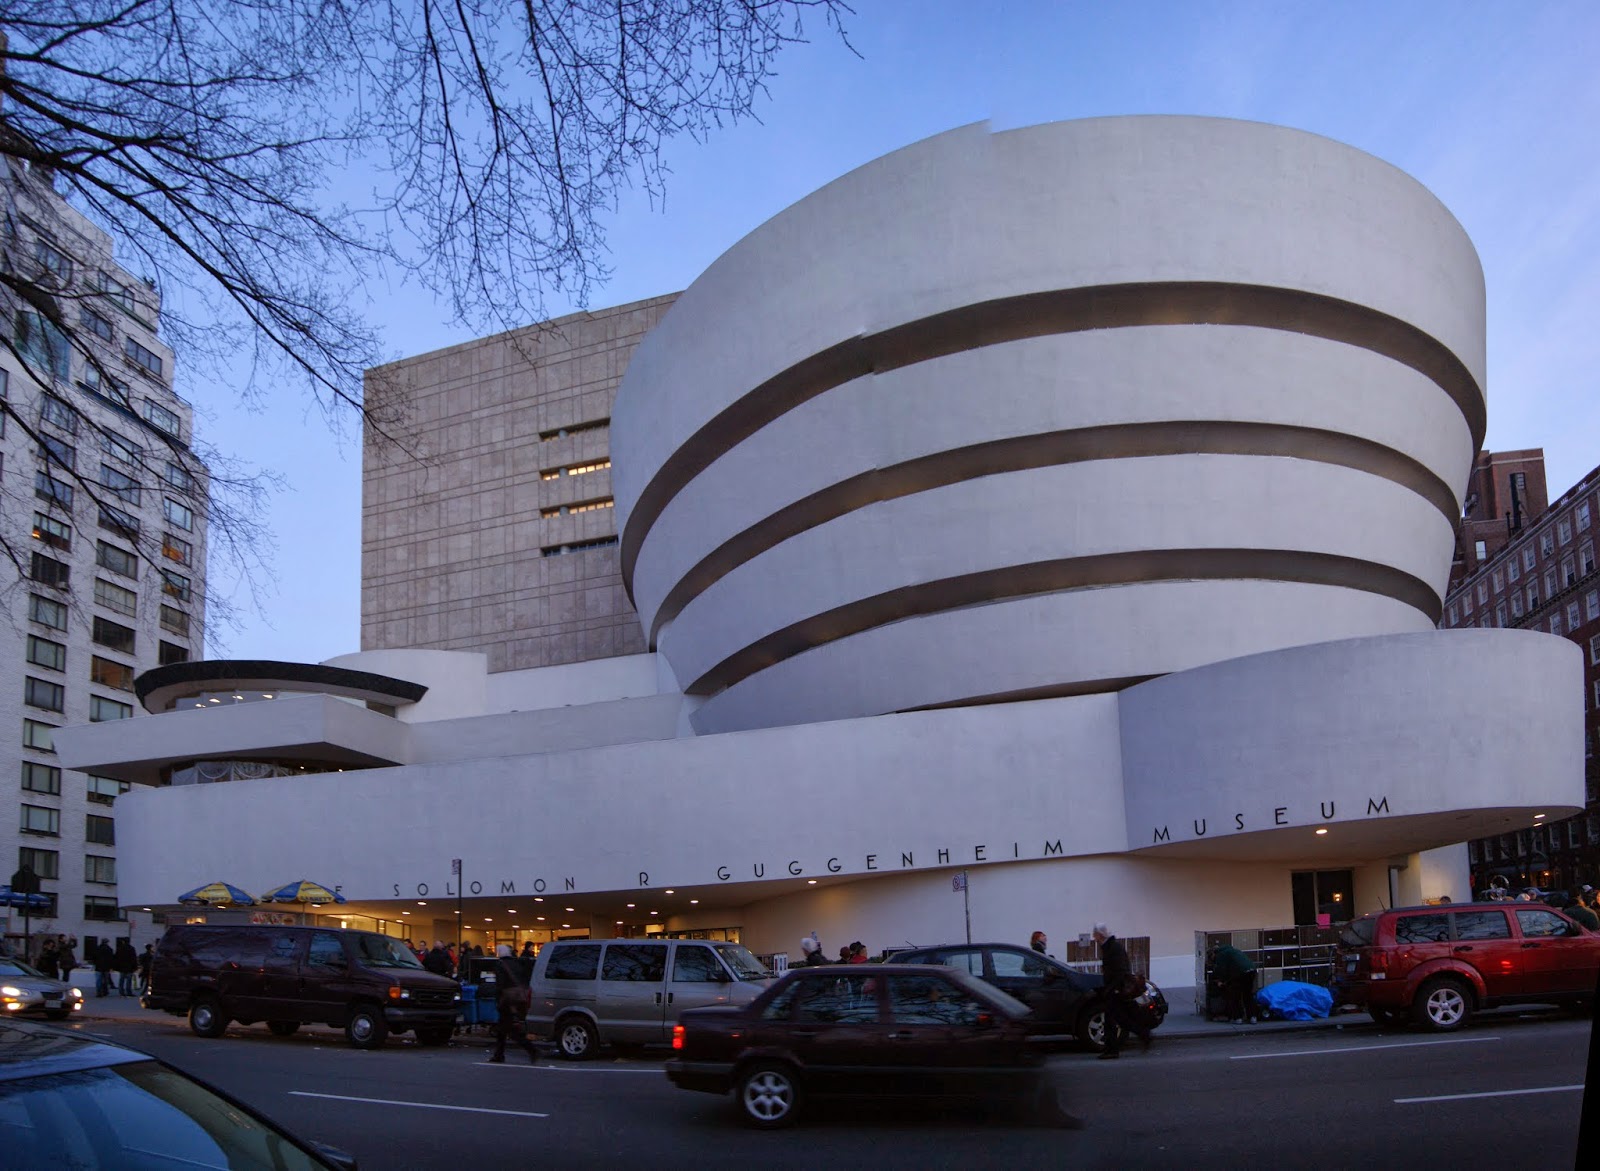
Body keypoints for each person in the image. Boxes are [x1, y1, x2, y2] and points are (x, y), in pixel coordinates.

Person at [1093, 922, 1150, 1059]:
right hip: (1115, 988)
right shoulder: (1110, 947)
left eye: (1095, 934)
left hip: (1116, 989)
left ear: (1100, 934)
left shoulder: (1112, 948)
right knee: (1116, 1019)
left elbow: (1120, 971)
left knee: (1117, 1019)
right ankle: (1115, 1048)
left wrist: (1111, 989)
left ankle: (1115, 1048)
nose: (1093, 937)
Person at [488, 943, 539, 1063]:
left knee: (509, 1029)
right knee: (505, 1029)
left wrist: (498, 998)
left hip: (507, 1000)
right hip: (519, 998)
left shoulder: (500, 965)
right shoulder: (517, 963)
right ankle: (499, 1055)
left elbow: (500, 985)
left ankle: (531, 1050)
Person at [1210, 942, 1259, 1023]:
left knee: (1234, 996)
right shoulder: (1233, 950)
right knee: (1248, 995)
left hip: (1239, 974)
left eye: (1211, 957)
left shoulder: (1220, 955)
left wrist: (1220, 982)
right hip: (1251, 971)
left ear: (1213, 953)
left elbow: (1221, 971)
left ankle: (1238, 1018)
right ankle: (1252, 1017)